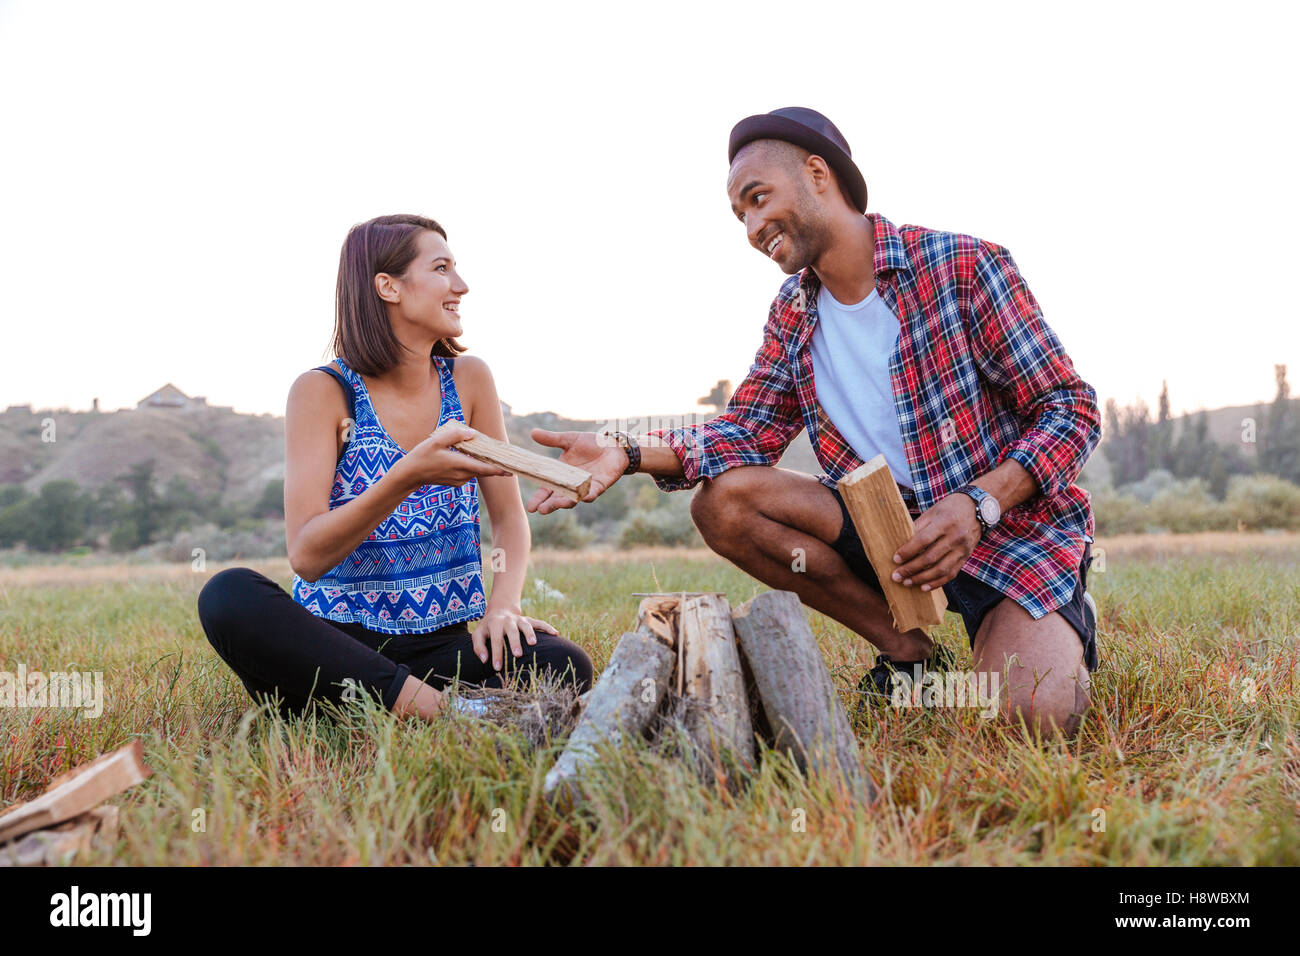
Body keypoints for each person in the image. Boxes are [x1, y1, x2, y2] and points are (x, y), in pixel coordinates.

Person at [526, 108, 1100, 739]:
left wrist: (977, 506)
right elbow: (745, 432)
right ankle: (907, 652)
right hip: (891, 538)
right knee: (727, 502)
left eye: (757, 198)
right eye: (739, 215)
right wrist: (628, 452)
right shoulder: (794, 311)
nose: (750, 227)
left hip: (1008, 535)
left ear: (818, 173)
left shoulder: (962, 267)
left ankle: (1058, 619)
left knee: (1028, 721)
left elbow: (1069, 409)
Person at [197, 214, 593, 721]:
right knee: (228, 596)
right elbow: (307, 555)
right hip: (336, 652)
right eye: (442, 268)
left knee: (563, 663)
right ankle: (447, 713)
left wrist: (503, 607)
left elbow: (509, 519)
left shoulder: (468, 381)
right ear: (388, 286)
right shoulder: (323, 392)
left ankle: (413, 709)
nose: (461, 286)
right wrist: (409, 473)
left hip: (441, 650)